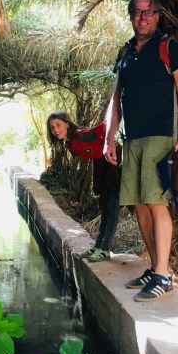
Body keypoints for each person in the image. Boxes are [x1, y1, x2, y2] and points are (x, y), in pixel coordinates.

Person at [104, 0, 178, 303]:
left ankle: (163, 276)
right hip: (132, 138)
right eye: (138, 12)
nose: (143, 18)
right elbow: (117, 97)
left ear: (157, 16)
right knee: (140, 203)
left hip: (160, 135)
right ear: (132, 16)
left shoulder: (169, 47)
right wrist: (109, 137)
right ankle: (155, 268)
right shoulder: (126, 52)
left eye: (149, 12)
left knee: (156, 202)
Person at [47, 111, 121, 260]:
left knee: (112, 209)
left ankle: (105, 249)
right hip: (102, 168)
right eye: (52, 127)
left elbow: (105, 127)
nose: (55, 129)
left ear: (67, 124)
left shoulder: (80, 135)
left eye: (58, 125)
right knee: (105, 209)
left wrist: (111, 143)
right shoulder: (70, 142)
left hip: (115, 165)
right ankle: (98, 246)